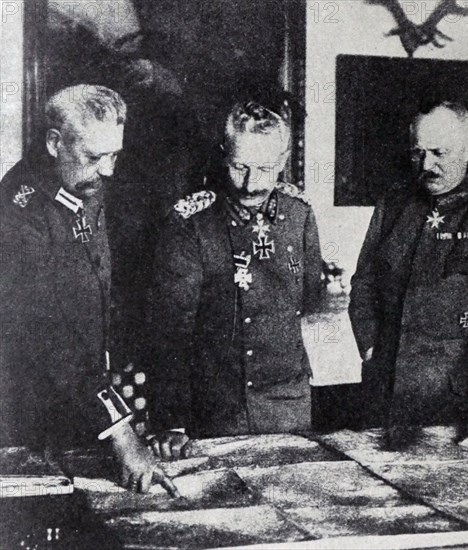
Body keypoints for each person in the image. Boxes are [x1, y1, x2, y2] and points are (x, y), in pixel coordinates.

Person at [0, 84, 177, 494]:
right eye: (95, 157)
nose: (109, 170)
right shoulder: (19, 213)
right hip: (29, 419)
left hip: (86, 408)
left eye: (114, 154)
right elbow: (50, 336)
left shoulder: (85, 184)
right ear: (54, 143)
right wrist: (120, 431)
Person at [147, 96, 323, 456]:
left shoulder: (299, 214)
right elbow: (170, 330)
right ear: (224, 153)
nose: (250, 184)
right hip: (216, 406)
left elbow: (310, 298)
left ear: (283, 162)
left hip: (288, 403)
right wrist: (173, 420)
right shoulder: (191, 223)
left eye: (264, 169)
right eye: (239, 167)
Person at [349, 101, 468, 450]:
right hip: (386, 400)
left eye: (439, 152)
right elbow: (363, 284)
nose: (426, 165)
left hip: (459, 412)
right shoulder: (394, 204)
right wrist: (370, 348)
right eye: (417, 153)